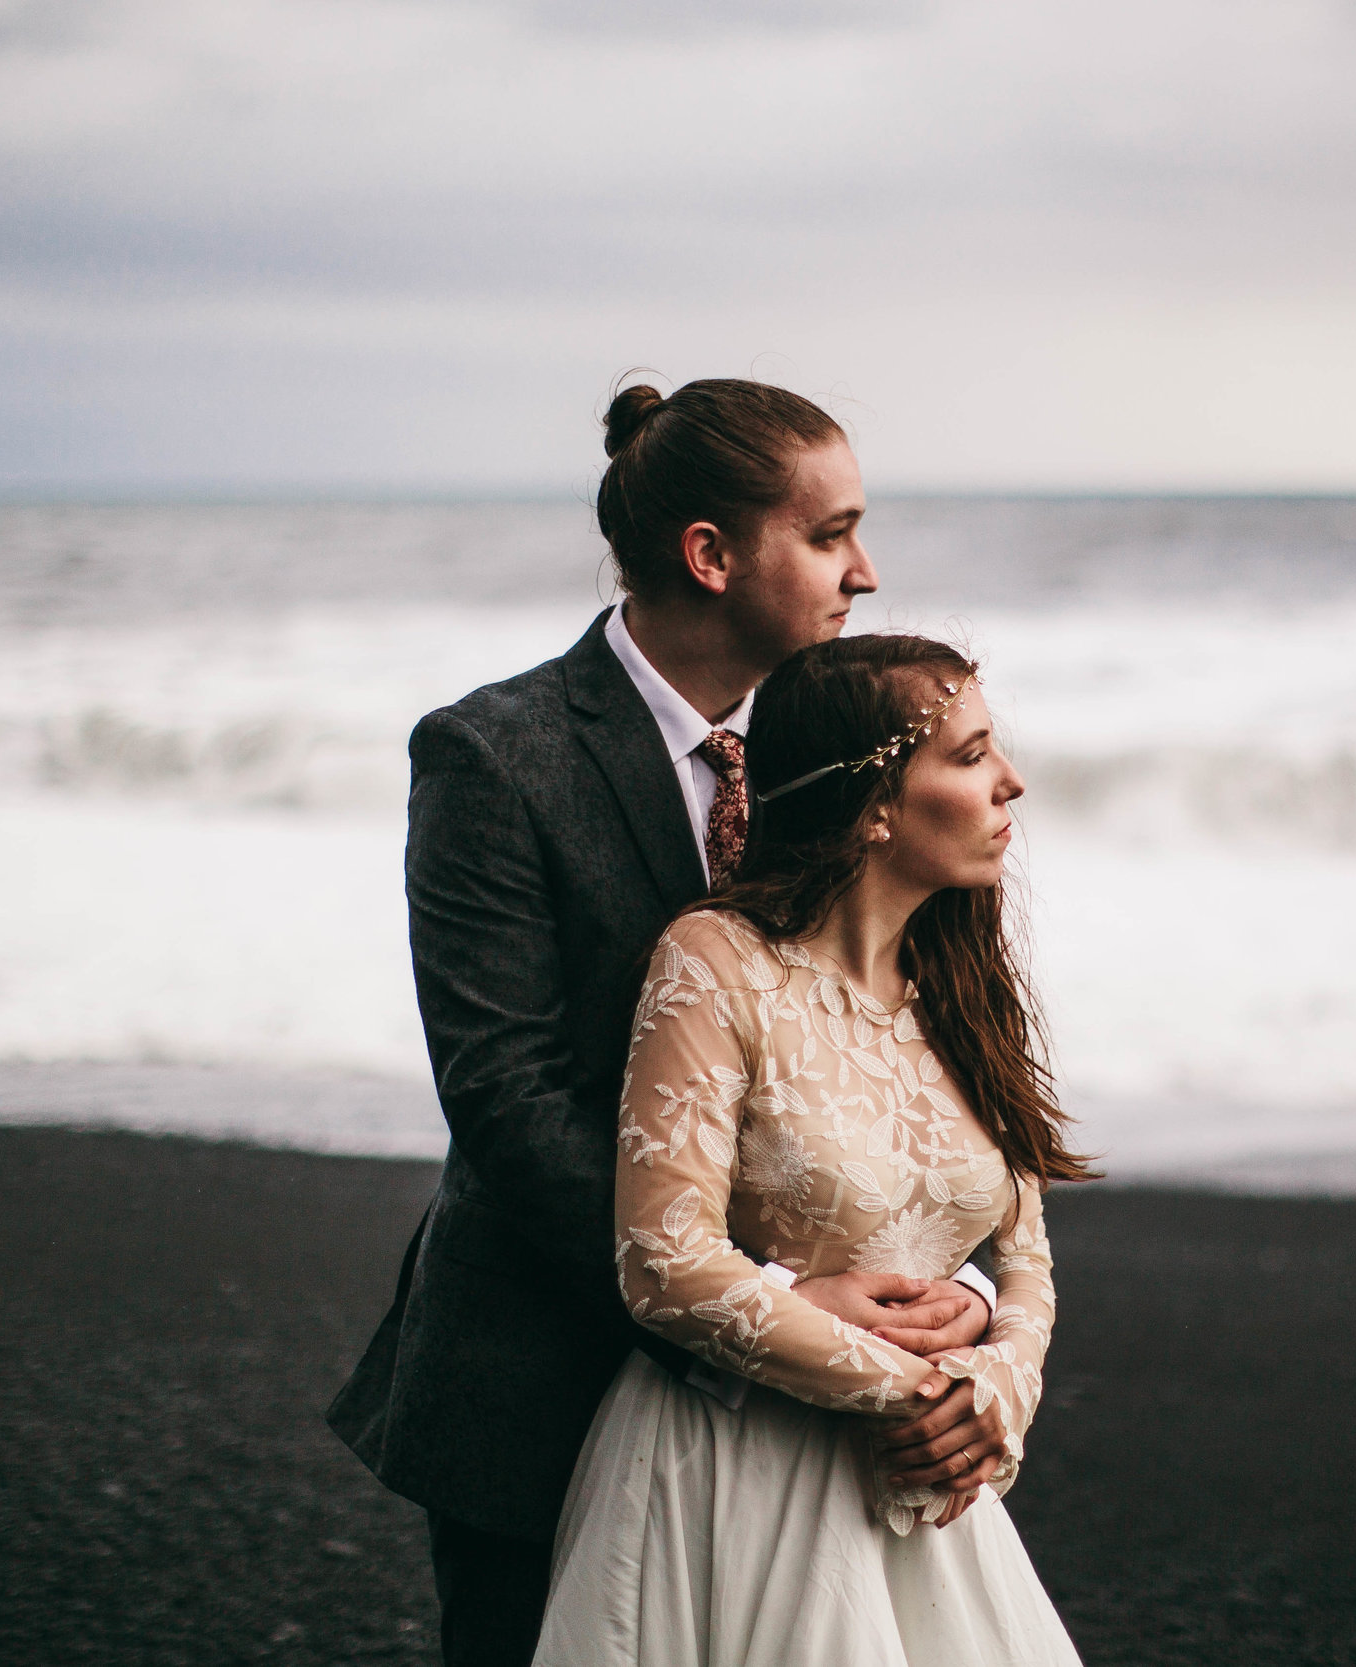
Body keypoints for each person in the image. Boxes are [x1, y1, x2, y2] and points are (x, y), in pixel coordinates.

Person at [326, 380, 1008, 1665]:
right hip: (550, 1369)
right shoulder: (496, 754)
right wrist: (763, 1301)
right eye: (828, 534)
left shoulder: (840, 748)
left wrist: (958, 1295)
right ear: (710, 554)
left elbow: (923, 1044)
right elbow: (505, 1089)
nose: (864, 572)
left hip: (832, 1405)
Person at [533, 633, 1095, 1666]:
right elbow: (663, 1262)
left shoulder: (965, 982)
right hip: (739, 1471)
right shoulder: (715, 961)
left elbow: (1026, 1255)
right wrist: (918, 1392)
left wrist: (998, 1390)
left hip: (926, 1490)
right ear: (875, 801)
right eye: (969, 757)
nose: (1010, 780)